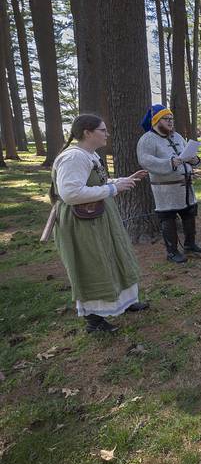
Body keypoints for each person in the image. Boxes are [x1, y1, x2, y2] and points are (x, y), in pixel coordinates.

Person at [50, 115, 149, 333]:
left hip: (99, 217)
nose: (107, 134)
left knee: (114, 255)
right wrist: (113, 189)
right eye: (103, 130)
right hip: (82, 223)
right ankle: (94, 321)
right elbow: (70, 193)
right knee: (93, 265)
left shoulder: (89, 154)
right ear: (87, 132)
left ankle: (125, 301)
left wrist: (121, 181)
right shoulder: (73, 158)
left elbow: (96, 183)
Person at [137, 105, 201, 264]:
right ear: (156, 121)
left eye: (171, 119)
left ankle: (190, 245)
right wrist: (170, 163)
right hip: (165, 189)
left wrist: (194, 160)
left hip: (186, 186)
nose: (170, 122)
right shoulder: (147, 139)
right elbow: (145, 160)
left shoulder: (177, 136)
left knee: (189, 214)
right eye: (166, 119)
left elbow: (188, 153)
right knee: (167, 218)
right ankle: (172, 252)